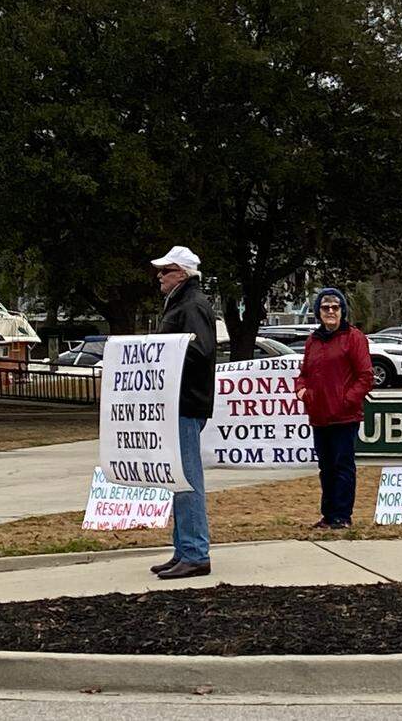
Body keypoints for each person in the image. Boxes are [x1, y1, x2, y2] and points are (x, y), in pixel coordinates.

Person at [147, 246, 217, 580]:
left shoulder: (192, 306)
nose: (159, 276)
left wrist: (163, 351)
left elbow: (201, 351)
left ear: (183, 274)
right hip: (179, 402)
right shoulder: (184, 304)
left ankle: (195, 552)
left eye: (166, 270)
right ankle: (183, 550)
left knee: (187, 478)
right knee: (178, 477)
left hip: (186, 403)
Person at [294, 288, 374, 529]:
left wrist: (346, 400)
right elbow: (304, 373)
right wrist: (302, 391)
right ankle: (328, 515)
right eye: (325, 308)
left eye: (335, 307)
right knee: (325, 468)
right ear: (318, 312)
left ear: (342, 311)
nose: (330, 312)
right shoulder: (313, 341)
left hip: (344, 416)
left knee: (343, 467)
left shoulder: (354, 337)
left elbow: (365, 376)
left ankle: (342, 516)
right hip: (319, 416)